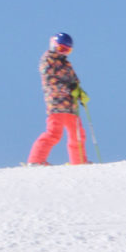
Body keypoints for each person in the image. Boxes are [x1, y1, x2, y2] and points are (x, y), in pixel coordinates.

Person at [26, 32, 88, 165]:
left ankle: (79, 162)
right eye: (61, 49)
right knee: (54, 133)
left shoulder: (66, 64)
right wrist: (69, 89)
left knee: (78, 135)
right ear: (53, 45)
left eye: (68, 50)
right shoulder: (48, 60)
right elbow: (51, 81)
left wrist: (79, 92)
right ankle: (36, 160)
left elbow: (74, 80)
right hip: (56, 104)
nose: (64, 53)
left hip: (71, 106)